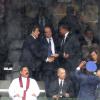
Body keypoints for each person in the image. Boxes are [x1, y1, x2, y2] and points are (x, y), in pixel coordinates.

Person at [40, 25, 59, 94]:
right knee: (47, 84)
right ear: (44, 33)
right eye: (46, 32)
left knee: (55, 84)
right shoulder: (41, 41)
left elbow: (60, 49)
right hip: (46, 66)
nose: (48, 33)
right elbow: (39, 53)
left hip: (56, 65)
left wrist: (58, 54)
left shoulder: (56, 40)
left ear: (51, 32)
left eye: (49, 32)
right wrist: (47, 59)